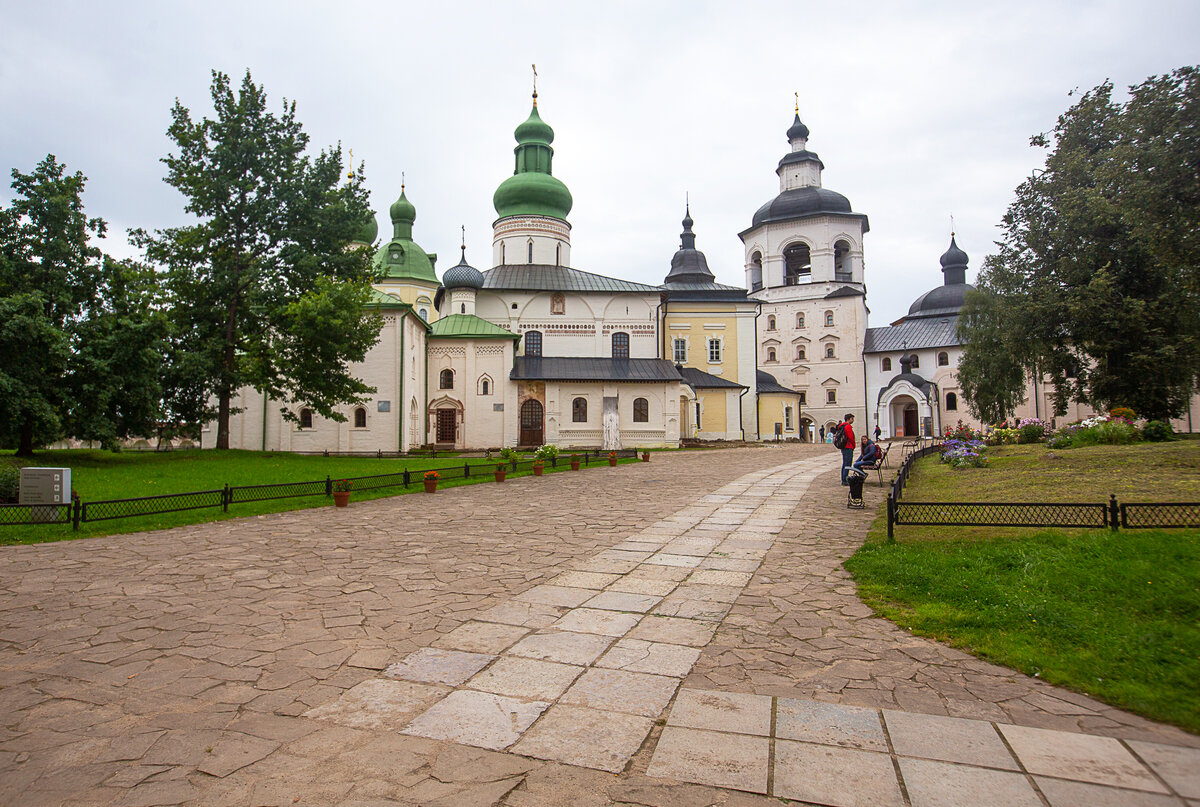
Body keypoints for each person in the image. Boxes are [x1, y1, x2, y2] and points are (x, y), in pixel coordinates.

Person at [837, 413, 855, 485]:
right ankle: (844, 480)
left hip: (844, 447)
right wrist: (853, 445)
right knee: (847, 464)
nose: (853, 420)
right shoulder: (847, 426)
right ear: (849, 419)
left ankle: (844, 478)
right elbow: (850, 437)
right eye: (852, 419)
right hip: (848, 446)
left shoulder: (842, 426)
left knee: (845, 463)